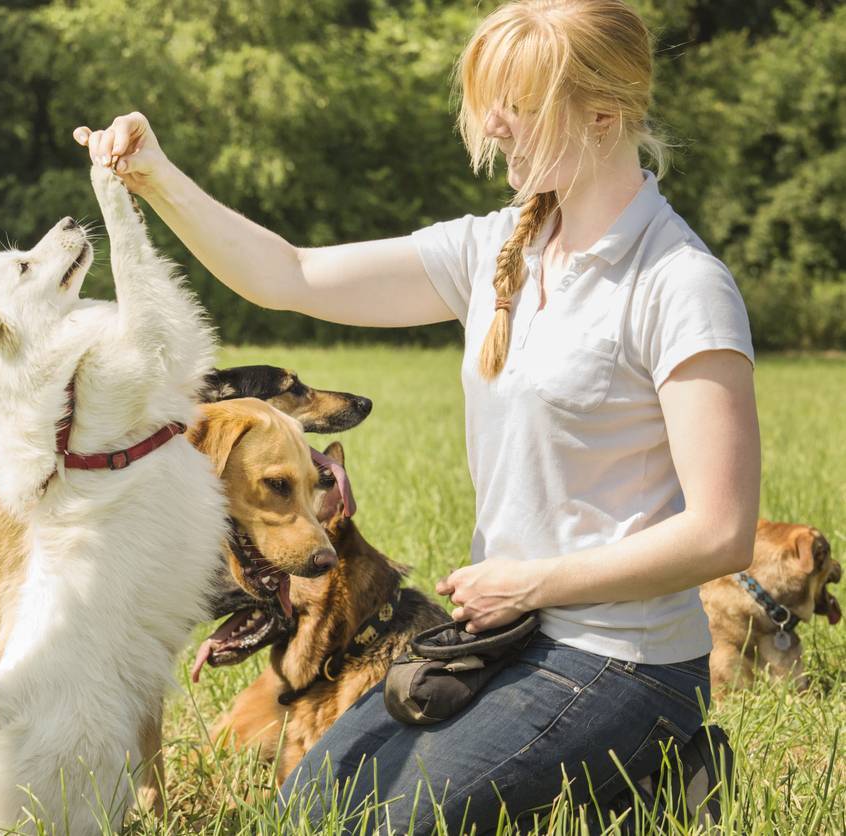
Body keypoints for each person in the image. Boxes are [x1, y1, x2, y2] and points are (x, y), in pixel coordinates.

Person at [75, 0, 759, 831]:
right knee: (308, 808)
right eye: (489, 102)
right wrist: (159, 177)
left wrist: (535, 580)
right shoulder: (496, 250)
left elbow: (720, 534)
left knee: (373, 827)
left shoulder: (680, 285)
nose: (495, 126)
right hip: (508, 637)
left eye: (518, 104)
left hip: (624, 660)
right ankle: (636, 790)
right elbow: (290, 274)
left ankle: (657, 753)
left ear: (604, 115)